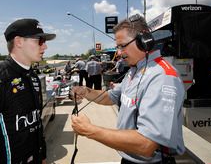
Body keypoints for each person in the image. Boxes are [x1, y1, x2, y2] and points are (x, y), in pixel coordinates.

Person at [71, 14, 185, 164]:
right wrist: (86, 91)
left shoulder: (162, 77)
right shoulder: (134, 70)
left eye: (122, 46)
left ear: (144, 41)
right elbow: (110, 97)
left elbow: (146, 144)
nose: (118, 53)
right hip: (129, 158)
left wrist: (89, 130)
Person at [0, 18, 56, 164]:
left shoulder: (33, 77)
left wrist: (42, 156)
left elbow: (37, 125)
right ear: (19, 42)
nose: (45, 47)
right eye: (40, 40)